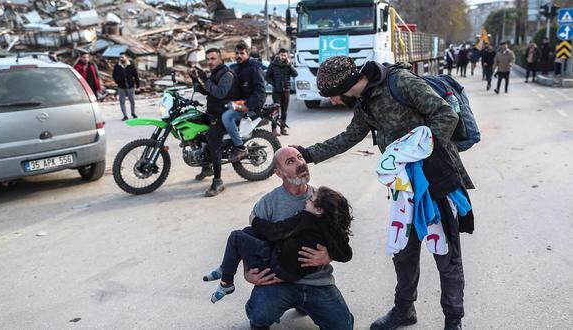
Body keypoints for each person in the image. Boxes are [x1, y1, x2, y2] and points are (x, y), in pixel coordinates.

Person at [292, 56, 474, 330]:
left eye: (332, 96)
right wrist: (307, 154)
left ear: (343, 88)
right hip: (404, 187)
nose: (332, 102)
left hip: (436, 177)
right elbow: (349, 136)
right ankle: (404, 310)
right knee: (404, 251)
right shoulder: (365, 101)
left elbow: (446, 113)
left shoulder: (400, 82)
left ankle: (453, 320)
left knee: (445, 253)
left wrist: (419, 150)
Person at [244, 147, 354, 330]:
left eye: (300, 157)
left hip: (317, 281)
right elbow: (249, 240)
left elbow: (342, 242)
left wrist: (328, 256)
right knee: (259, 315)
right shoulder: (268, 203)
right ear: (279, 173)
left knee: (343, 326)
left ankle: (305, 303)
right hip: (278, 280)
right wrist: (248, 273)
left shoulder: (321, 200)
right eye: (290, 162)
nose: (300, 163)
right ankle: (272, 308)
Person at [203, 185, 353, 303]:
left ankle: (226, 281)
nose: (307, 200)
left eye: (311, 199)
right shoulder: (332, 228)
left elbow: (276, 231)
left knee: (236, 236)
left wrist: (255, 220)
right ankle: (226, 266)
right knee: (248, 233)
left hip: (279, 266)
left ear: (319, 210)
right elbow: (347, 253)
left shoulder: (306, 218)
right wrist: (330, 254)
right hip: (293, 267)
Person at [188, 48, 239, 197]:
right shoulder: (215, 73)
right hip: (213, 112)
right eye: (208, 59)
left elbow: (219, 93)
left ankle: (218, 181)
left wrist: (205, 78)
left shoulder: (227, 74)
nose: (209, 62)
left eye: (212, 59)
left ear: (220, 59)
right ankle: (207, 166)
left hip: (224, 114)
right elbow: (206, 91)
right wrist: (195, 79)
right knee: (199, 134)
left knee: (212, 141)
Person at [222, 42, 266, 162]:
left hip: (250, 103)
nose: (239, 56)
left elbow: (261, 91)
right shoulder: (234, 68)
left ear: (247, 54)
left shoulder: (254, 68)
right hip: (238, 101)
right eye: (237, 53)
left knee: (227, 117)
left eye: (242, 53)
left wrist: (248, 105)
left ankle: (240, 147)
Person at [266, 48, 298, 136]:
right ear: (278, 55)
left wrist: (289, 65)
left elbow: (295, 74)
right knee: (275, 111)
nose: (283, 57)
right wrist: (274, 84)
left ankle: (282, 129)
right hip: (276, 92)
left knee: (284, 112)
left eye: (285, 55)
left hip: (286, 91)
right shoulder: (273, 65)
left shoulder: (288, 65)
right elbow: (267, 77)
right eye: (282, 55)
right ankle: (274, 129)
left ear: (287, 56)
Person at [113, 53, 140, 121]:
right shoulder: (117, 66)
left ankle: (133, 113)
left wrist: (137, 85)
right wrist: (117, 81)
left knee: (132, 101)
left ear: (126, 58)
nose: (121, 58)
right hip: (121, 87)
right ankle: (125, 115)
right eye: (120, 57)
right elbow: (114, 75)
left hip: (130, 86)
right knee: (122, 102)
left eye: (122, 57)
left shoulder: (130, 65)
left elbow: (136, 75)